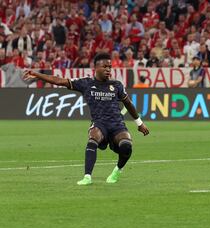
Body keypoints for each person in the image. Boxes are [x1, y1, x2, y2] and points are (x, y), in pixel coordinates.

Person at [23, 53, 150, 185]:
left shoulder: (116, 85)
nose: (108, 70)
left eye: (110, 67)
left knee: (126, 146)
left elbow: (128, 103)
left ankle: (118, 170)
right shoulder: (86, 83)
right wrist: (37, 75)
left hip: (117, 124)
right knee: (93, 138)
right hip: (99, 123)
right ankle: (87, 177)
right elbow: (58, 80)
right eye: (104, 66)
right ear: (96, 67)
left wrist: (140, 123)